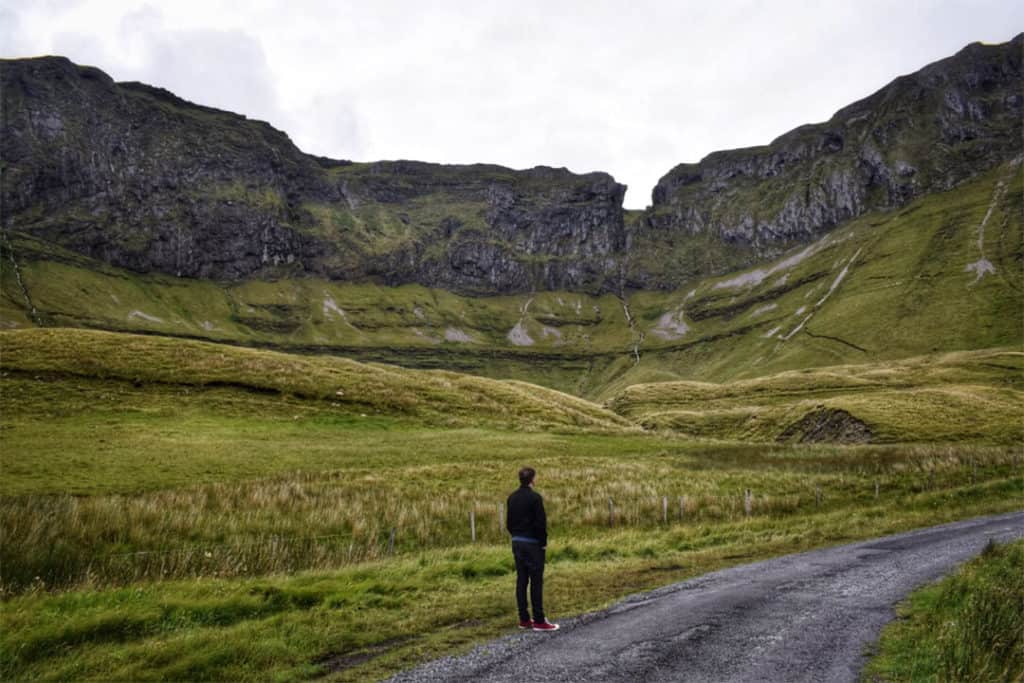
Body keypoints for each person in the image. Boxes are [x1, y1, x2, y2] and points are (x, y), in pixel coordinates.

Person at [506, 466, 559, 631]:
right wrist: (542, 542)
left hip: (516, 541)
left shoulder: (512, 498)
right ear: (532, 480)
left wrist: (515, 535)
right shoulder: (535, 498)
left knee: (521, 580)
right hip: (532, 543)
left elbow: (508, 522)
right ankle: (539, 619)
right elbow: (540, 523)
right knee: (536, 581)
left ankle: (524, 619)